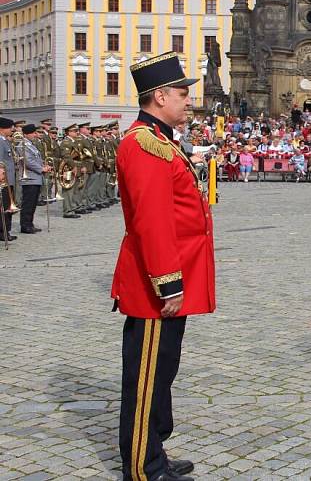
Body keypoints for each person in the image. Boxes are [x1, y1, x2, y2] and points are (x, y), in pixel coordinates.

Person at [112, 51, 215, 481]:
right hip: (155, 284)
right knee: (146, 378)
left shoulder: (161, 141)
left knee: (162, 370)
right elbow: (153, 222)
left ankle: (154, 449)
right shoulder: (144, 145)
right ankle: (142, 466)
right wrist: (168, 284)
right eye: (181, 93)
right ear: (158, 97)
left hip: (172, 277)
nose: (188, 100)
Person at [17, 123, 51, 233]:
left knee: (32, 203)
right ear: (26, 134)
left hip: (35, 178)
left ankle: (30, 223)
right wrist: (41, 169)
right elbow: (28, 161)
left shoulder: (31, 144)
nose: (35, 135)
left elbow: (36, 159)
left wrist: (44, 165)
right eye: (33, 133)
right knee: (28, 203)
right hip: (29, 178)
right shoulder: (22, 145)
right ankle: (25, 225)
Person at [0, 118, 17, 242]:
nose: (12, 129)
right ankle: (3, 232)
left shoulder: (5, 141)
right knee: (5, 207)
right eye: (9, 127)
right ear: (1, 129)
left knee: (8, 206)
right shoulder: (0, 142)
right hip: (4, 179)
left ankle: (6, 230)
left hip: (9, 178)